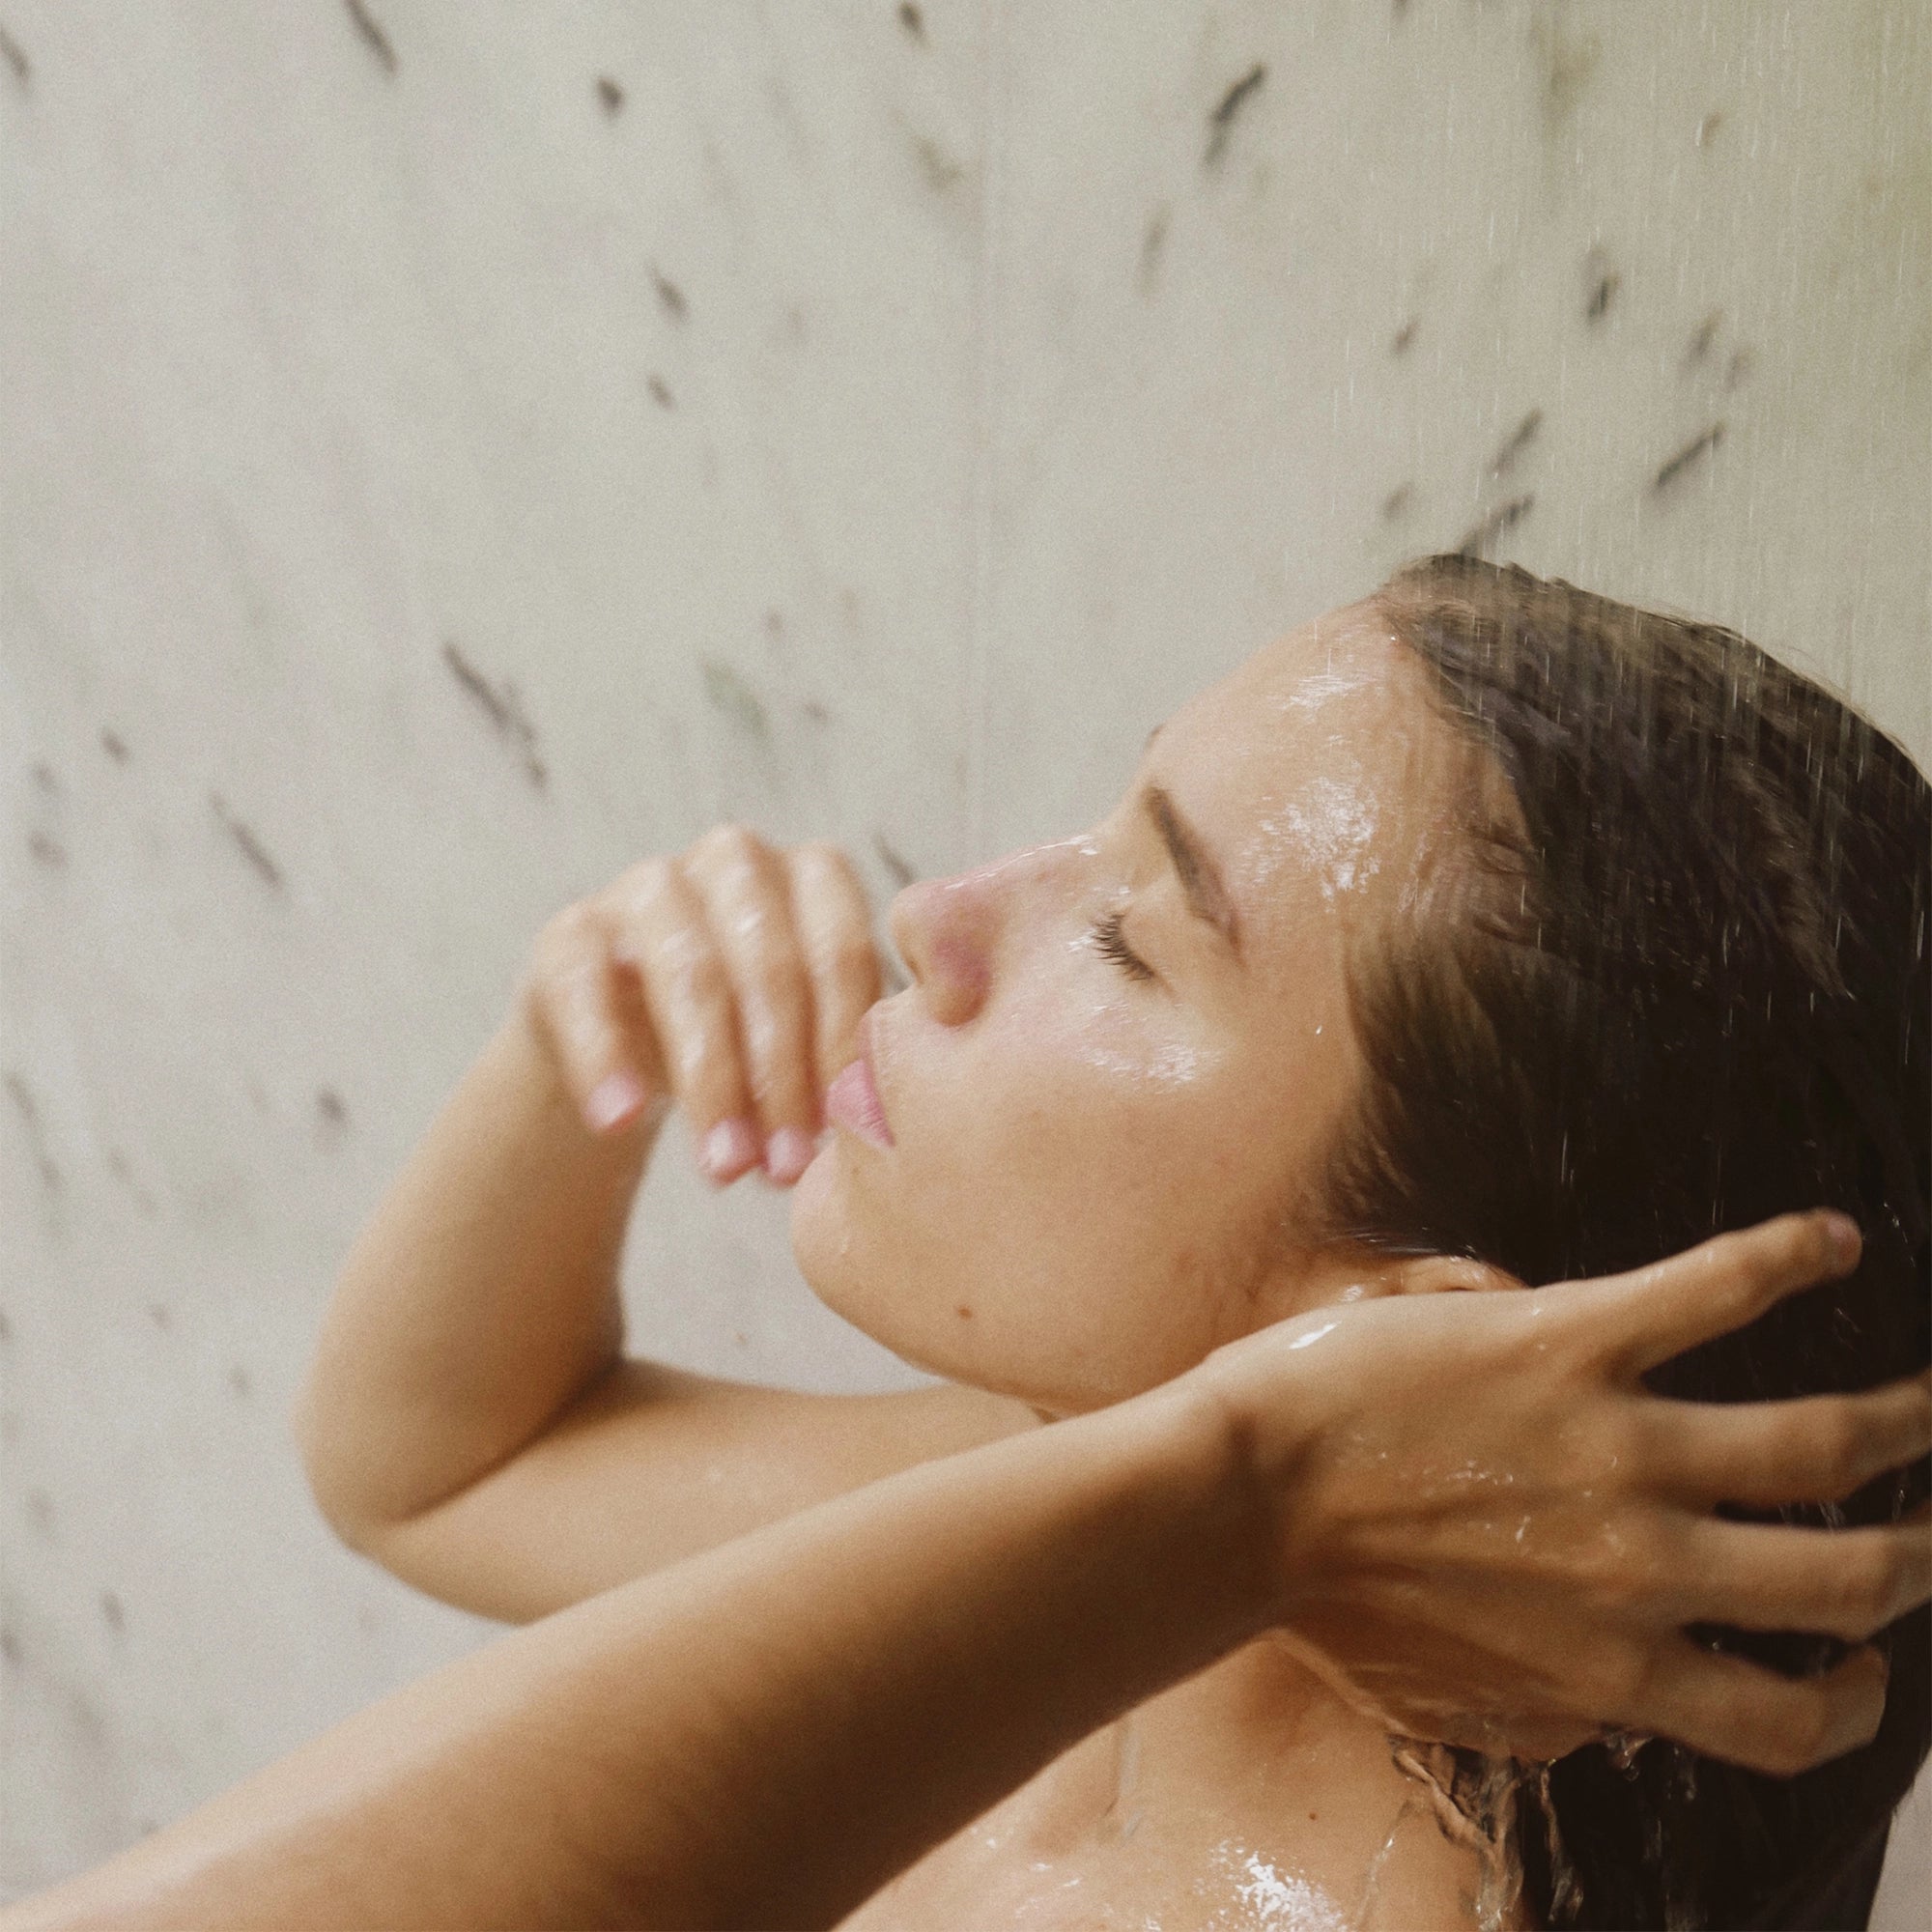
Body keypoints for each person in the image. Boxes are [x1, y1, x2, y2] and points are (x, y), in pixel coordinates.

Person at [10, 559, 1922, 1930]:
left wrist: (1242, 1491)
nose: (938, 913)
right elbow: (444, 1464)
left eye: (1129, 934)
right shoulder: (1119, 1561)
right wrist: (570, 1043)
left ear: (1425, 1353)